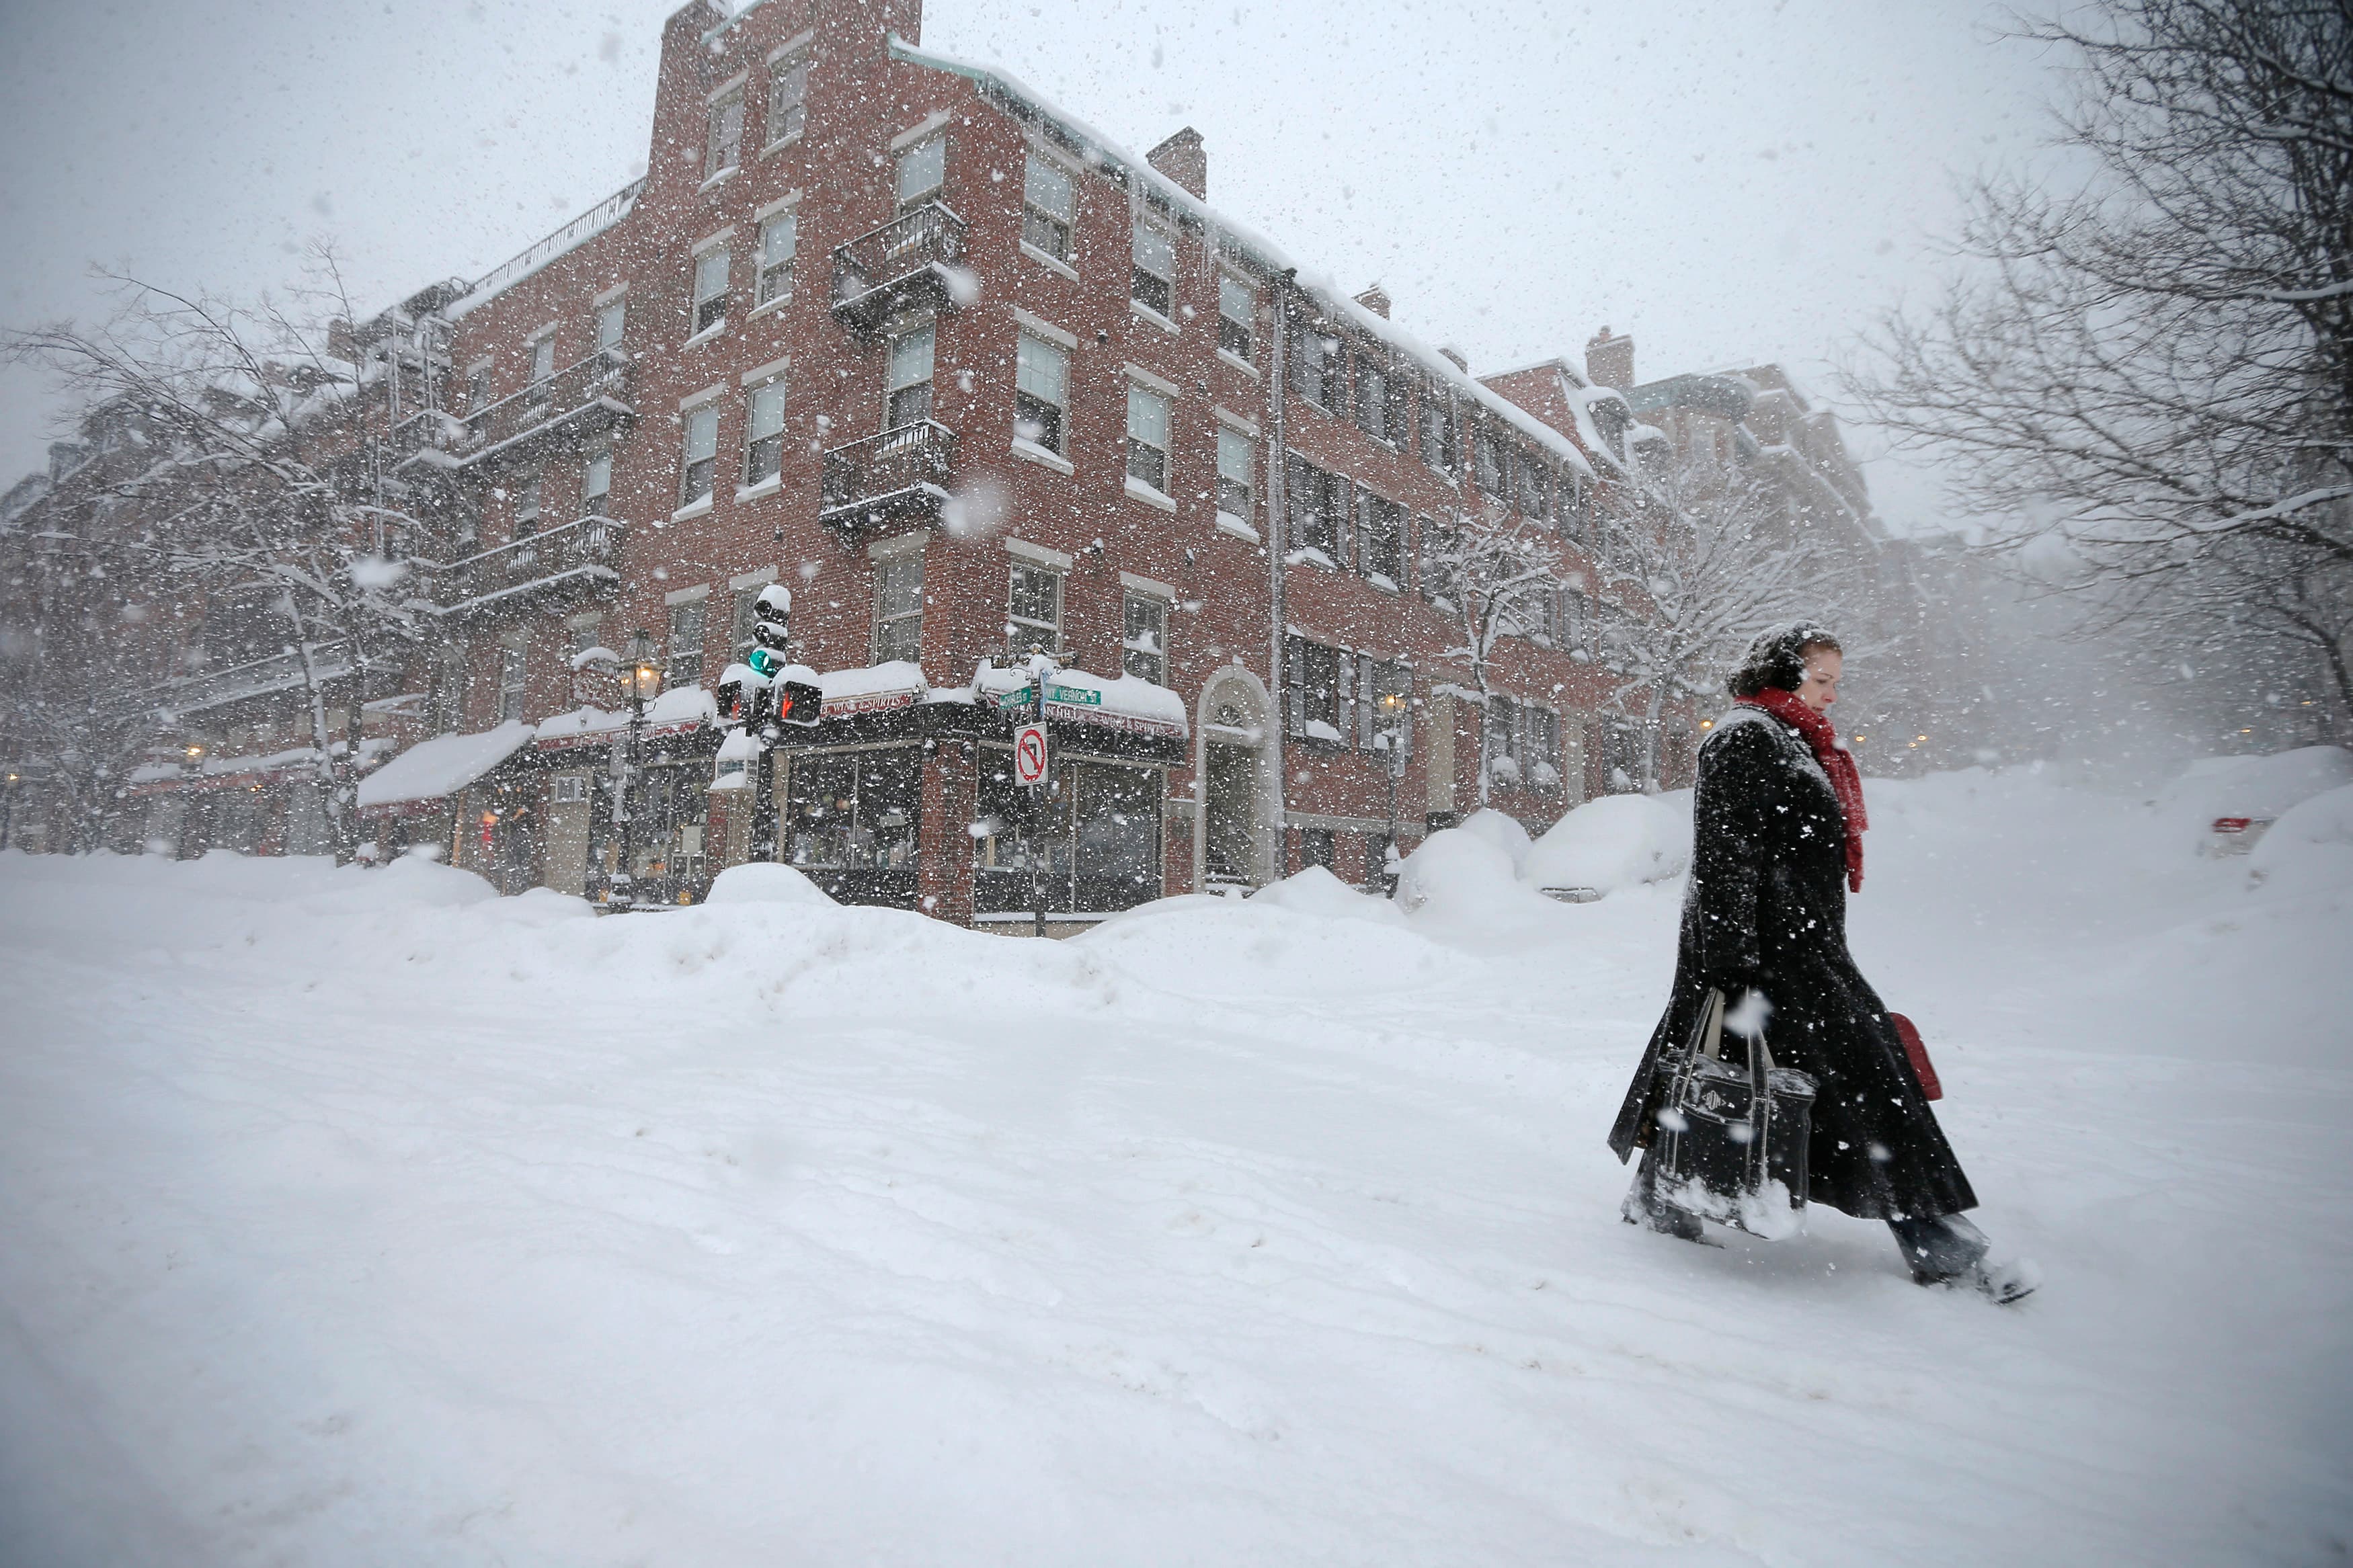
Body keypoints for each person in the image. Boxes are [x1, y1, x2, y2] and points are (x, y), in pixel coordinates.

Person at [1606, 622, 2035, 1303]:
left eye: (1836, 680)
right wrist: (1730, 962)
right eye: (1822, 679)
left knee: (1731, 1075)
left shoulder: (1795, 740)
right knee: (1857, 1086)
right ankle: (1938, 1241)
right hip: (1769, 955)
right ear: (1780, 673)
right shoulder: (1745, 736)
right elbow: (1724, 857)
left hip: (1802, 948)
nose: (1833, 694)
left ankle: (1660, 1196)